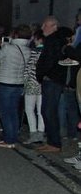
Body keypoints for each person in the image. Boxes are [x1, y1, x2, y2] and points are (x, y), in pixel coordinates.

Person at [0, 26, 32, 148]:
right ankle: (13, 138)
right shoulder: (28, 49)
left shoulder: (8, 48)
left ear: (15, 35)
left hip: (6, 82)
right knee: (14, 112)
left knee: (5, 112)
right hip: (18, 83)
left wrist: (0, 47)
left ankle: (8, 140)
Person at [36, 16, 64, 153]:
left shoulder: (54, 41)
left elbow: (51, 60)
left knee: (49, 111)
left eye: (45, 25)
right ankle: (51, 141)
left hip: (52, 80)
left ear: (53, 26)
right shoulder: (51, 40)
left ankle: (55, 143)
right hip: (49, 80)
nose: (42, 28)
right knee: (46, 111)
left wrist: (41, 73)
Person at [24, 31, 46, 144]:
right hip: (42, 84)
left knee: (29, 109)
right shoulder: (46, 51)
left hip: (32, 83)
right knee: (40, 110)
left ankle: (33, 132)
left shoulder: (34, 52)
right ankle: (41, 132)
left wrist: (24, 80)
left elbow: (29, 68)